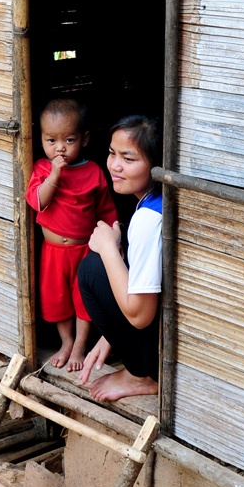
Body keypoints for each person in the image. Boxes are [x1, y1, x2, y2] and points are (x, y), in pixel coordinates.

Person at [25, 97, 117, 371]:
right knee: (56, 299)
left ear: (85, 139)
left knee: (82, 299)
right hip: (53, 252)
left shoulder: (93, 172)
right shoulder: (42, 168)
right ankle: (65, 341)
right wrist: (54, 173)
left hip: (84, 251)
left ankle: (79, 346)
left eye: (69, 140)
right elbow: (37, 202)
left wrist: (114, 240)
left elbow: (106, 211)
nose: (59, 148)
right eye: (51, 140)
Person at [77, 114, 162, 403]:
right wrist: (109, 337)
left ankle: (141, 375)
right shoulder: (158, 201)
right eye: (112, 153)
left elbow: (140, 315)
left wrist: (109, 249)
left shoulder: (149, 220)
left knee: (92, 268)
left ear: (156, 165)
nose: (114, 165)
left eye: (129, 158)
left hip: (164, 350)